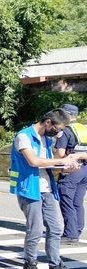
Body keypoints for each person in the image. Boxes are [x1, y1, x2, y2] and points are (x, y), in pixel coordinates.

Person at [10, 108, 81, 269]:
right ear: (48, 122)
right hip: (29, 188)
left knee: (56, 227)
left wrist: (66, 166)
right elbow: (34, 162)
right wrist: (61, 160)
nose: (60, 133)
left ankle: (55, 265)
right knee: (34, 229)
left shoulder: (46, 140)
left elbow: (48, 165)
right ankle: (30, 263)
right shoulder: (24, 137)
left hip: (48, 188)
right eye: (58, 129)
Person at [54, 104, 87, 245]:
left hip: (71, 169)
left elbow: (61, 154)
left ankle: (70, 234)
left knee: (66, 200)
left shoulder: (66, 131)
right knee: (77, 202)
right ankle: (77, 230)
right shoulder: (83, 128)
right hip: (85, 170)